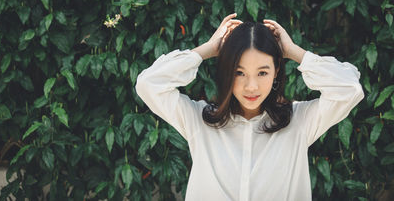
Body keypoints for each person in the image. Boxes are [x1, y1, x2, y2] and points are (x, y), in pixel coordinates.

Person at [135, 13, 364, 201]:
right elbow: (149, 84)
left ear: (276, 73)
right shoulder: (199, 120)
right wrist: (208, 48)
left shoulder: (300, 122)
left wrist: (294, 52)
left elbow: (349, 89)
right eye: (239, 72)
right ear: (227, 72)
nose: (251, 86)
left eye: (262, 72)